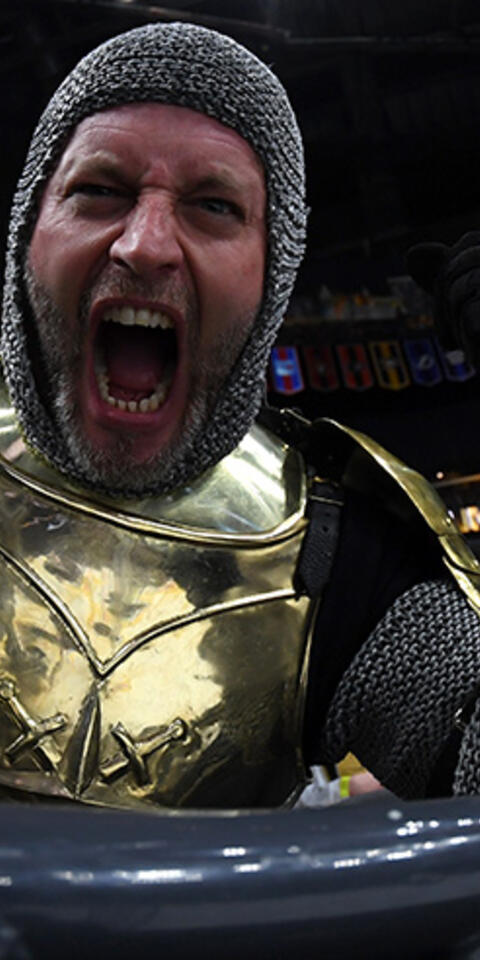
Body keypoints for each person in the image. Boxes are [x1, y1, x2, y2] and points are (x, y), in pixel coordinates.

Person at [0, 20, 479, 812]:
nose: (145, 245)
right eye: (100, 191)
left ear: (269, 285)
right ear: (26, 238)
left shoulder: (339, 553)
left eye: (213, 206)